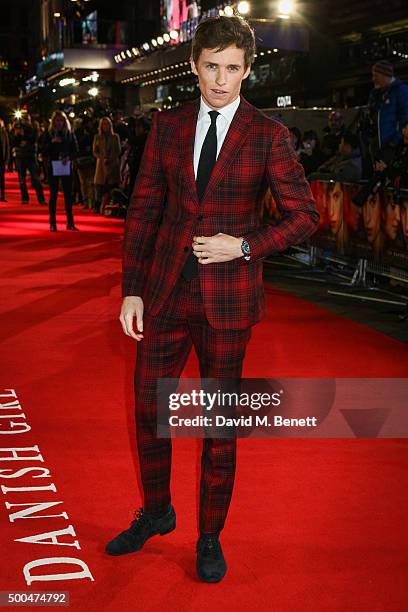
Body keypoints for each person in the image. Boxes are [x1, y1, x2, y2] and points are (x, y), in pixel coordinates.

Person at [105, 15, 319, 583]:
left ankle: (209, 537)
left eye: (232, 69)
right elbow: (145, 210)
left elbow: (305, 216)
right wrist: (132, 288)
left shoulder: (268, 133)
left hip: (228, 303)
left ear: (248, 70)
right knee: (150, 412)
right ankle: (156, 512)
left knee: (219, 427)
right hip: (165, 292)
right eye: (211, 67)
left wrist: (244, 245)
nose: (220, 80)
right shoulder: (167, 126)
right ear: (195, 67)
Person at [42, 110, 78, 232]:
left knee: (68, 195)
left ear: (64, 121)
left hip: (66, 165)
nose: (59, 123)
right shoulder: (49, 134)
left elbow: (75, 150)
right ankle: (52, 223)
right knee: (53, 195)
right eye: (57, 120)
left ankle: (70, 222)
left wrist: (68, 157)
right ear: (53, 122)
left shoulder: (69, 134)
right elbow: (43, 151)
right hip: (53, 166)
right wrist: (51, 143)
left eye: (61, 120)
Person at [368, 60, 408, 164]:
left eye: (376, 76)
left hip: (391, 147)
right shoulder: (376, 93)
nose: (373, 79)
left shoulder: (401, 91)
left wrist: (395, 141)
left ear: (384, 75)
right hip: (377, 146)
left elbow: (405, 117)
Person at [12, 115, 46, 205]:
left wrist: (23, 136)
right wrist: (17, 136)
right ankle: (25, 198)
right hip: (20, 156)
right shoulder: (17, 128)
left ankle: (41, 199)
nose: (25, 121)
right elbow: (14, 142)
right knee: (22, 180)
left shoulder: (33, 129)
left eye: (27, 119)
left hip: (31, 156)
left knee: (36, 178)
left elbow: (33, 140)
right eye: (24, 120)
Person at [92, 117, 121, 214]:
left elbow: (118, 150)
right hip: (101, 164)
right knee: (99, 186)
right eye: (103, 124)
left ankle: (110, 206)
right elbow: (95, 151)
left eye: (107, 124)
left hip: (113, 164)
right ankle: (98, 205)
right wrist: (102, 158)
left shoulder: (115, 137)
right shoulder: (97, 137)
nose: (105, 126)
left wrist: (111, 158)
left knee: (112, 185)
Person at [0, 118, 10, 201]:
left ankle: (2, 195)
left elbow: (7, 146)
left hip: (1, 159)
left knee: (2, 178)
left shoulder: (4, 133)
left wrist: (7, 159)